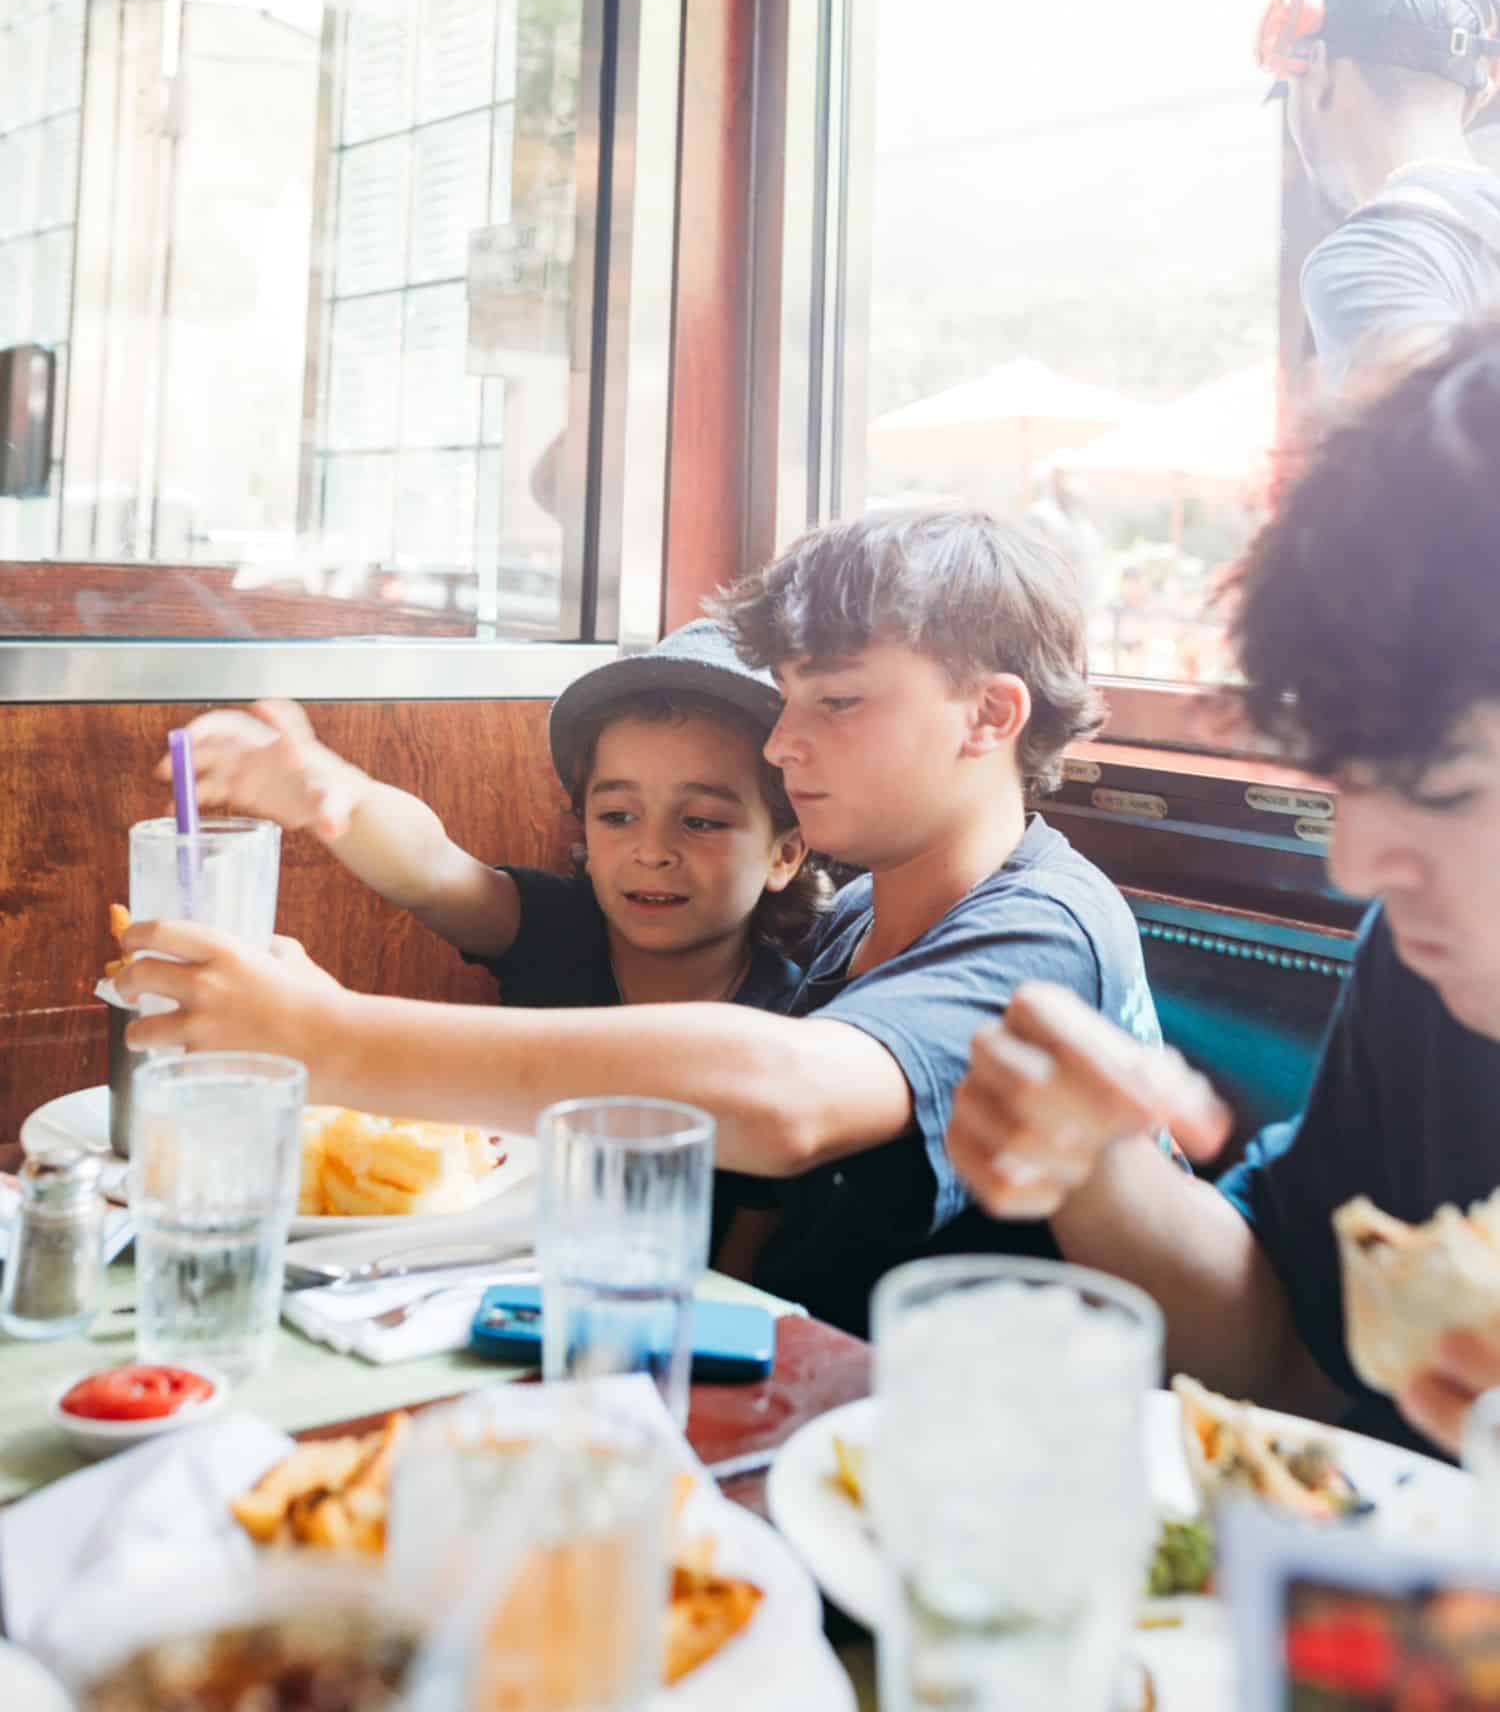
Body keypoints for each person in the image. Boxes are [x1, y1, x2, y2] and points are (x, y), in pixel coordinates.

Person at [116, 508, 1159, 1336]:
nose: (787, 744)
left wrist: (324, 1037)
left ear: (990, 715)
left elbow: (788, 1096)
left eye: (834, 702)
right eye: (787, 701)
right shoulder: (850, 925)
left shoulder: (1044, 926)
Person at [947, 318, 1500, 1456]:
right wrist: (1097, 1169)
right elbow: (1282, 1354)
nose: (1357, 866)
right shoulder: (1427, 970)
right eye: (1342, 779)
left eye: (1440, 786)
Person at [159, 620, 821, 1017]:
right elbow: (432, 869)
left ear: (784, 854)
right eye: (617, 814)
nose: (651, 849)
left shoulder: (792, 1013)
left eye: (701, 822)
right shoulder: (558, 930)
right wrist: (340, 791)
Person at [1256, 0, 1500, 390]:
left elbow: (1439, 448)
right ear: (1477, 93)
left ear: (1321, 72)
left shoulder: (1370, 256)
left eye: (1289, 88)